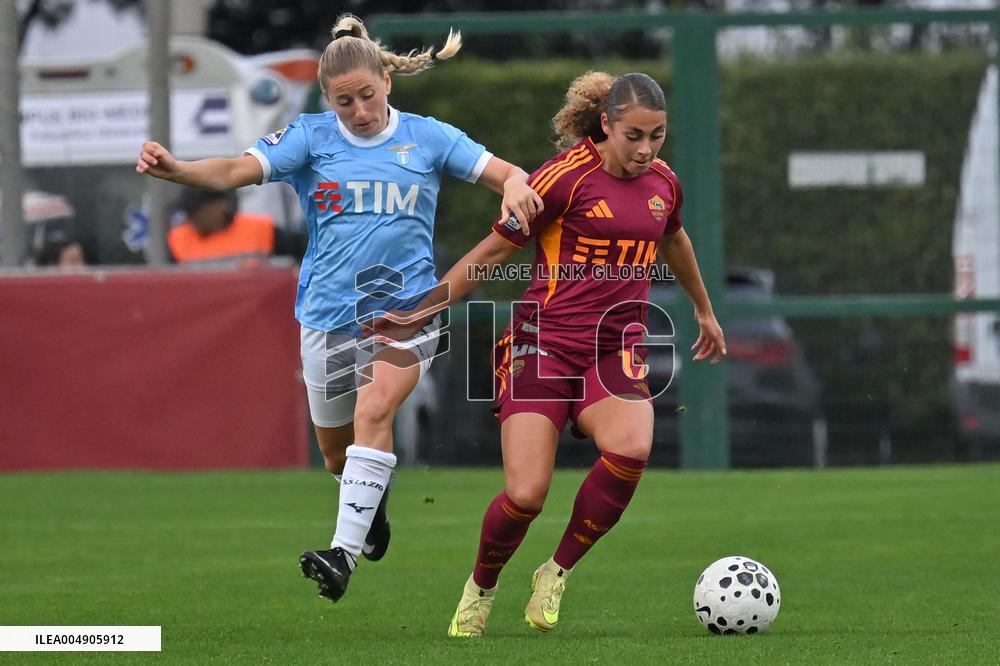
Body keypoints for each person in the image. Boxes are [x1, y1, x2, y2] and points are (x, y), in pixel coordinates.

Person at [136, 13, 542, 604]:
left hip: (408, 313)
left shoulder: (428, 137)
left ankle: (341, 555)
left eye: (367, 95)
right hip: (327, 317)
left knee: (375, 412)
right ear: (328, 100)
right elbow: (233, 170)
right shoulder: (309, 137)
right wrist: (177, 170)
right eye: (344, 100)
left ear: (388, 82)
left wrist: (511, 184)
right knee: (335, 452)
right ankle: (367, 507)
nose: (358, 110)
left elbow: (508, 173)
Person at [368, 71, 726, 636]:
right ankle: (482, 585)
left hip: (615, 347)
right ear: (606, 124)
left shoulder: (664, 183)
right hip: (544, 346)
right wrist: (422, 309)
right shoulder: (561, 180)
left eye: (657, 136)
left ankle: (555, 572)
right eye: (634, 135)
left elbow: (674, 238)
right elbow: (489, 253)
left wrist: (704, 310)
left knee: (630, 449)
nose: (646, 149)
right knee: (527, 494)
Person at [168, 188, 307, 265]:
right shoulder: (179, 238)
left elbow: (306, 252)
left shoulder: (259, 230)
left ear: (220, 206)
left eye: (196, 211)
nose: (191, 218)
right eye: (188, 212)